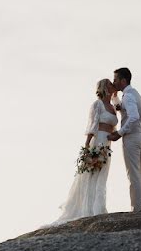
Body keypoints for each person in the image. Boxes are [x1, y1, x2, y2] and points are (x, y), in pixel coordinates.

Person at [48, 79, 120, 225]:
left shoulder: (112, 106)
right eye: (111, 84)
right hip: (98, 141)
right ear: (105, 87)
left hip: (107, 144)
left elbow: (120, 110)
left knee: (102, 176)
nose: (114, 86)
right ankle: (89, 210)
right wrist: (87, 147)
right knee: (92, 175)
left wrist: (116, 96)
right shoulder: (97, 104)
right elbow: (92, 126)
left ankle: (99, 208)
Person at [108, 67, 141, 212]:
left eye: (115, 79)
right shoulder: (134, 94)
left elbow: (133, 116)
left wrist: (119, 133)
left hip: (132, 138)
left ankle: (137, 208)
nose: (113, 82)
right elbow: (123, 109)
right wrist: (115, 97)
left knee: (133, 173)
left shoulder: (128, 96)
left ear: (123, 80)